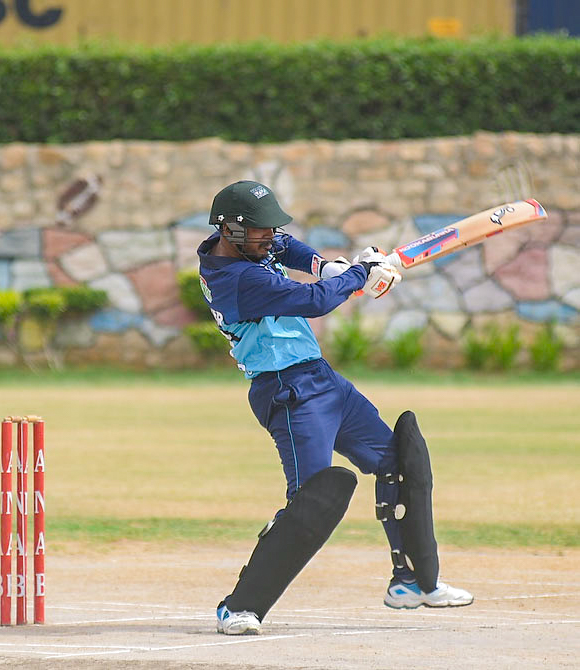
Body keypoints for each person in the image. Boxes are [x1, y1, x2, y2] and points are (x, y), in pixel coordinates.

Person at [197, 181, 473, 636]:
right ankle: (239, 607)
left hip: (323, 380)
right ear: (229, 228)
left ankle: (412, 582)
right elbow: (315, 301)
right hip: (288, 392)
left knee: (399, 461)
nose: (270, 236)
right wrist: (359, 273)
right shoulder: (238, 280)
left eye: (270, 228)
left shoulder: (245, 244)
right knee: (312, 501)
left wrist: (326, 265)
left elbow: (287, 246)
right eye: (260, 230)